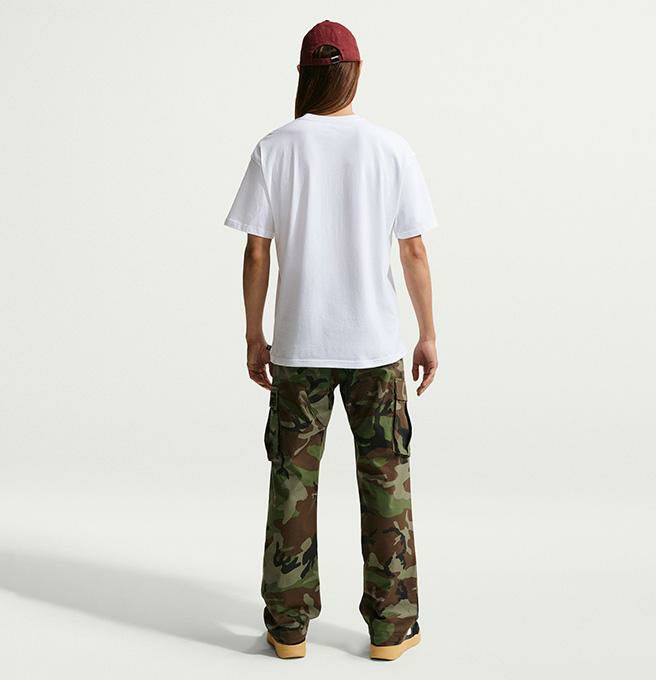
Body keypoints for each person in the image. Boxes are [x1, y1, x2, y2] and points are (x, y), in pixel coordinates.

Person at [224, 20, 438, 661]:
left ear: (304, 75)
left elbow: (256, 253)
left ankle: (288, 629)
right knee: (386, 485)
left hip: (299, 346)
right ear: (355, 73)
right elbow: (414, 250)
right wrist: (427, 333)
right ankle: (392, 629)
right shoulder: (390, 148)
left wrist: (254, 334)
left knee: (292, 485)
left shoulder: (275, 148)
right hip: (375, 347)